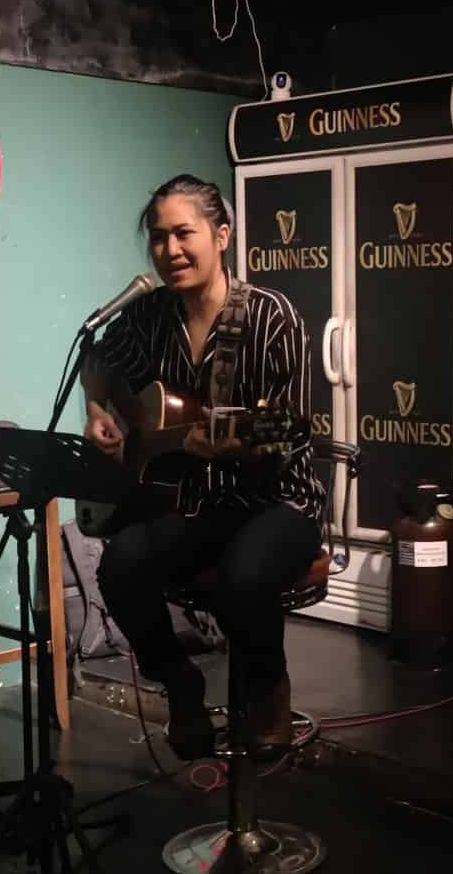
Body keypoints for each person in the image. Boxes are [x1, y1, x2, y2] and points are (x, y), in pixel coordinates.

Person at [81, 174, 325, 761]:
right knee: (119, 563)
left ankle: (267, 688)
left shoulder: (271, 317)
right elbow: (95, 357)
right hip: (193, 502)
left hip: (276, 500)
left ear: (222, 234)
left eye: (183, 233)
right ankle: (181, 684)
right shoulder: (146, 318)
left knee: (244, 578)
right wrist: (97, 410)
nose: (170, 251)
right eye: (159, 238)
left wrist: (241, 444)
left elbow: (287, 433)